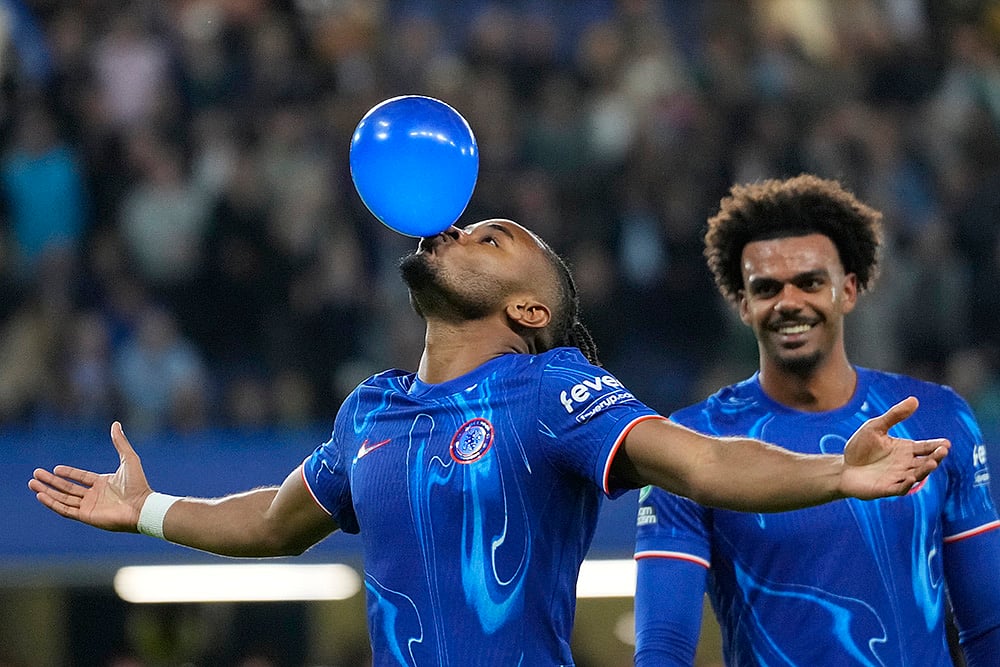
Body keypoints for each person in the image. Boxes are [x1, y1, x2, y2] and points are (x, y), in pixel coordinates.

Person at [30, 219, 948, 666]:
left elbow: (700, 459)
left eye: (492, 237)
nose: (458, 226)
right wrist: (146, 509)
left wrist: (835, 471)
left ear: (529, 310)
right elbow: (272, 523)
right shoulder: (370, 409)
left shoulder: (551, 390)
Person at [633, 175, 1000, 666]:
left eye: (809, 282)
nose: (789, 302)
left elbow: (989, 624)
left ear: (847, 290)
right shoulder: (691, 445)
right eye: (766, 288)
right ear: (743, 304)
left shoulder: (938, 417)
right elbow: (664, 649)